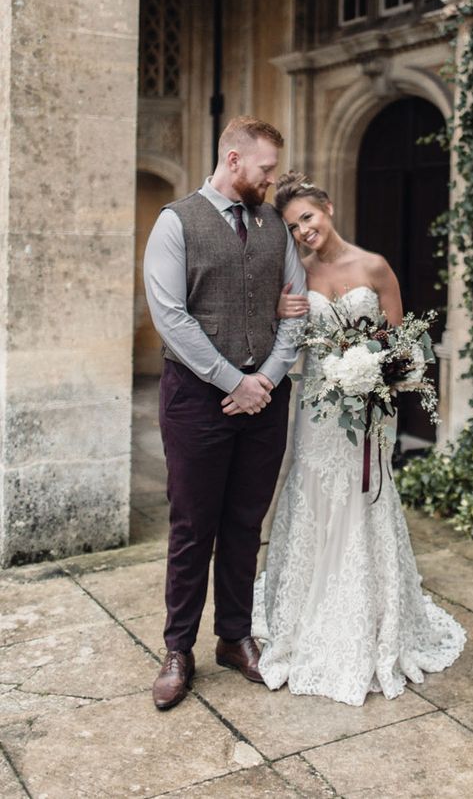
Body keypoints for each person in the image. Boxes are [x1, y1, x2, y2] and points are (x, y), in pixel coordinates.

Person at [252, 171, 465, 706]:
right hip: (318, 412)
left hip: (369, 413)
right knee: (315, 490)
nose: (304, 231)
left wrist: (383, 375)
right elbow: (288, 340)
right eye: (294, 226)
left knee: (365, 497)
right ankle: (306, 607)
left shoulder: (374, 266)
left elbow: (403, 344)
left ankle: (371, 612)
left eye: (308, 218)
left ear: (326, 208)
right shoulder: (294, 277)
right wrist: (279, 312)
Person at [143, 117, 306, 710]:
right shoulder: (175, 223)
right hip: (195, 402)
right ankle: (178, 649)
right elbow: (171, 317)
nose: (272, 179)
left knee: (244, 523)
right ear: (233, 160)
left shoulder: (274, 226)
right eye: (265, 169)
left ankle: (234, 638)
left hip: (265, 400)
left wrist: (264, 379)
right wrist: (232, 380)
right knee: (192, 527)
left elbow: (295, 311)